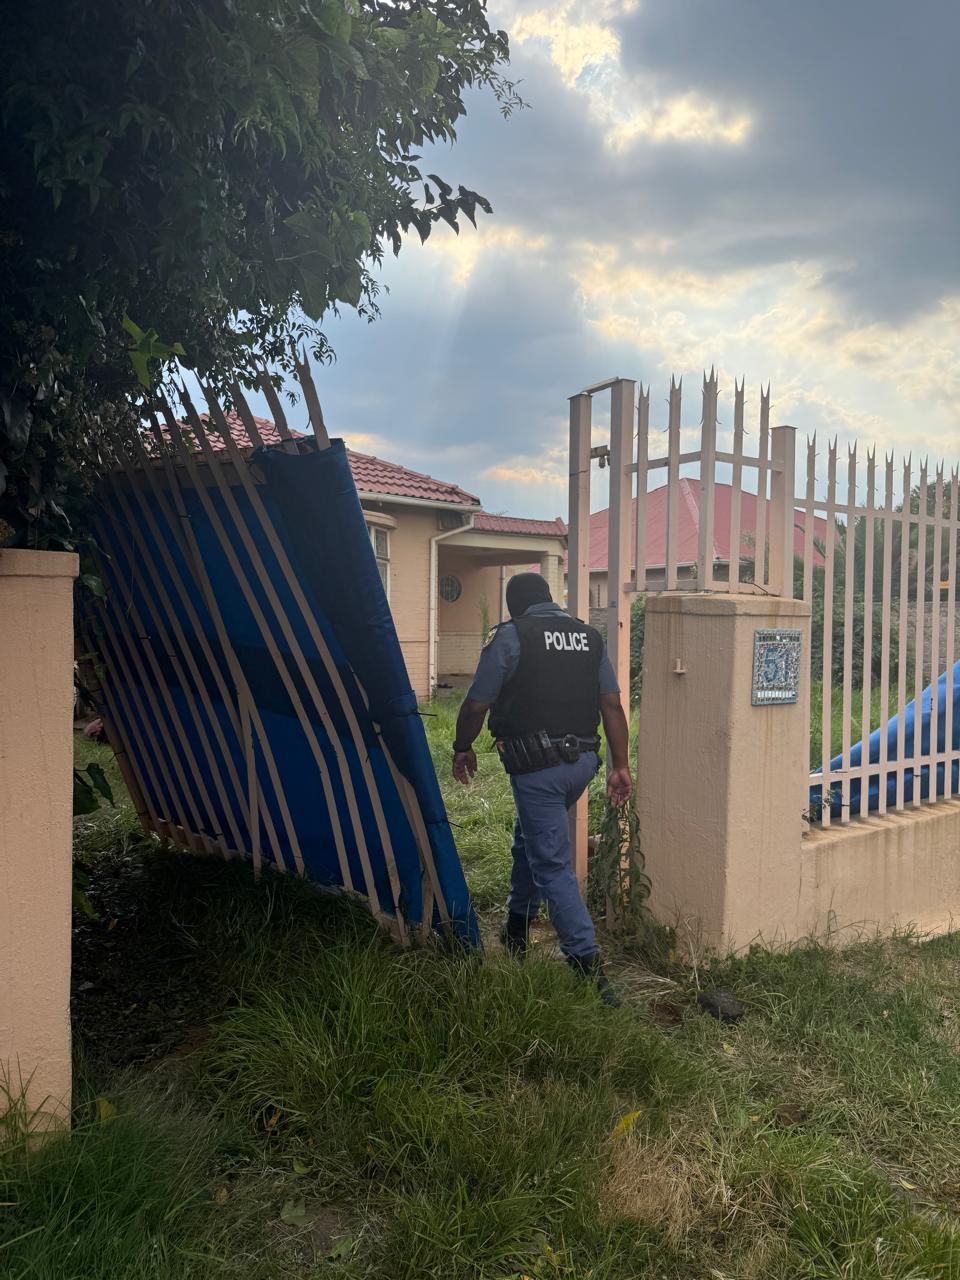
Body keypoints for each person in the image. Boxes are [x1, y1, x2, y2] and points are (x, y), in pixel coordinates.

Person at [451, 572, 632, 1005]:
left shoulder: (512, 636)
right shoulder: (588, 637)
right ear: (550, 598)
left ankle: (590, 969)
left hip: (537, 768)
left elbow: (477, 703)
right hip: (582, 764)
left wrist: (462, 747)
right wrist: (621, 766)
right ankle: (517, 925)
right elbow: (611, 704)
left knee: (551, 865)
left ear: (515, 606)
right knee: (529, 837)